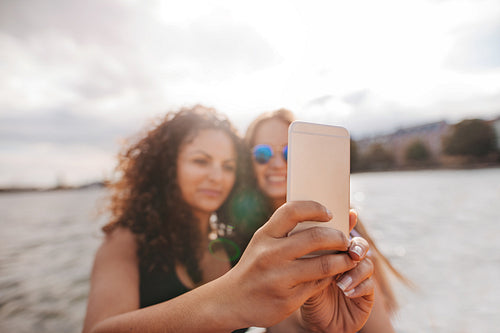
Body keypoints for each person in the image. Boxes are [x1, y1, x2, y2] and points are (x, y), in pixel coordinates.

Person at [82, 105, 375, 333]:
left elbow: (281, 321)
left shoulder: (241, 242)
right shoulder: (126, 239)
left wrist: (322, 323)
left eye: (228, 166)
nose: (216, 176)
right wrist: (229, 299)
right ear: (167, 167)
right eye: (200, 161)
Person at [245, 108, 410, 332]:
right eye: (262, 154)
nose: (276, 163)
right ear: (248, 162)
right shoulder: (250, 236)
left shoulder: (337, 237)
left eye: (288, 151)